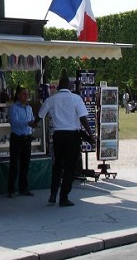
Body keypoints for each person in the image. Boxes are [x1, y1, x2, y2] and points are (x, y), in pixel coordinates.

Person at [30, 69, 94, 207]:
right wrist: (90, 135)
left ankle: (53, 194)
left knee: (57, 165)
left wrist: (33, 124)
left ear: (58, 87)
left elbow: (40, 116)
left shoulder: (51, 99)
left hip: (58, 135)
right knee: (70, 167)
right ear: (69, 87)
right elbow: (83, 118)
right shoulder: (76, 99)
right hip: (72, 136)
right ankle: (63, 197)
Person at [7, 86, 34, 198]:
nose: (26, 96)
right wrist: (27, 123)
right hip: (17, 137)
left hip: (27, 138)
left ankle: (24, 188)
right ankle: (11, 190)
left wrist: (31, 128)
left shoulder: (29, 108)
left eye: (27, 94)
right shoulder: (14, 108)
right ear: (18, 95)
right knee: (14, 164)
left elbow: (32, 120)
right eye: (24, 94)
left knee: (25, 164)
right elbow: (14, 122)